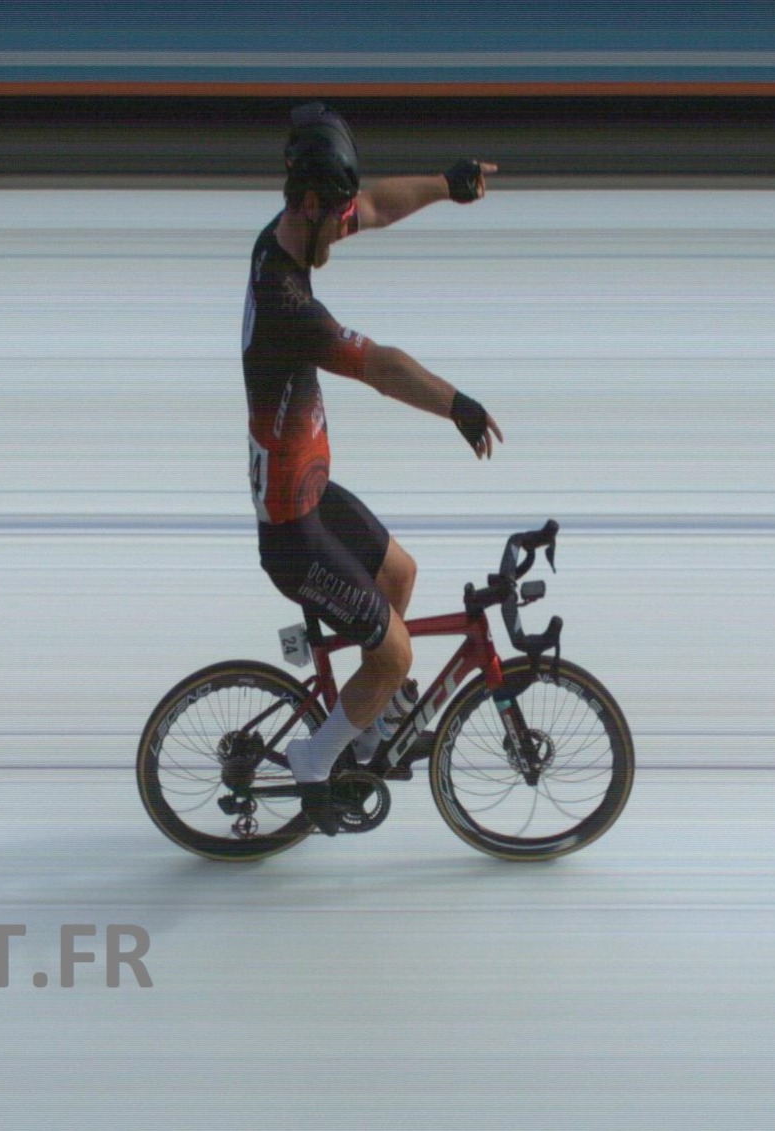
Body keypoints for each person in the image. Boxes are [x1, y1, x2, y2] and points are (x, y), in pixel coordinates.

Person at [241, 102, 503, 835]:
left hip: (311, 492)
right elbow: (380, 366)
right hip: (292, 532)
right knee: (394, 652)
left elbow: (379, 205)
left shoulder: (293, 229)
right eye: (337, 216)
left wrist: (447, 186)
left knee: (400, 575)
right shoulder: (286, 302)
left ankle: (367, 725)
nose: (344, 227)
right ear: (311, 203)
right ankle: (314, 762)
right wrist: (456, 404)